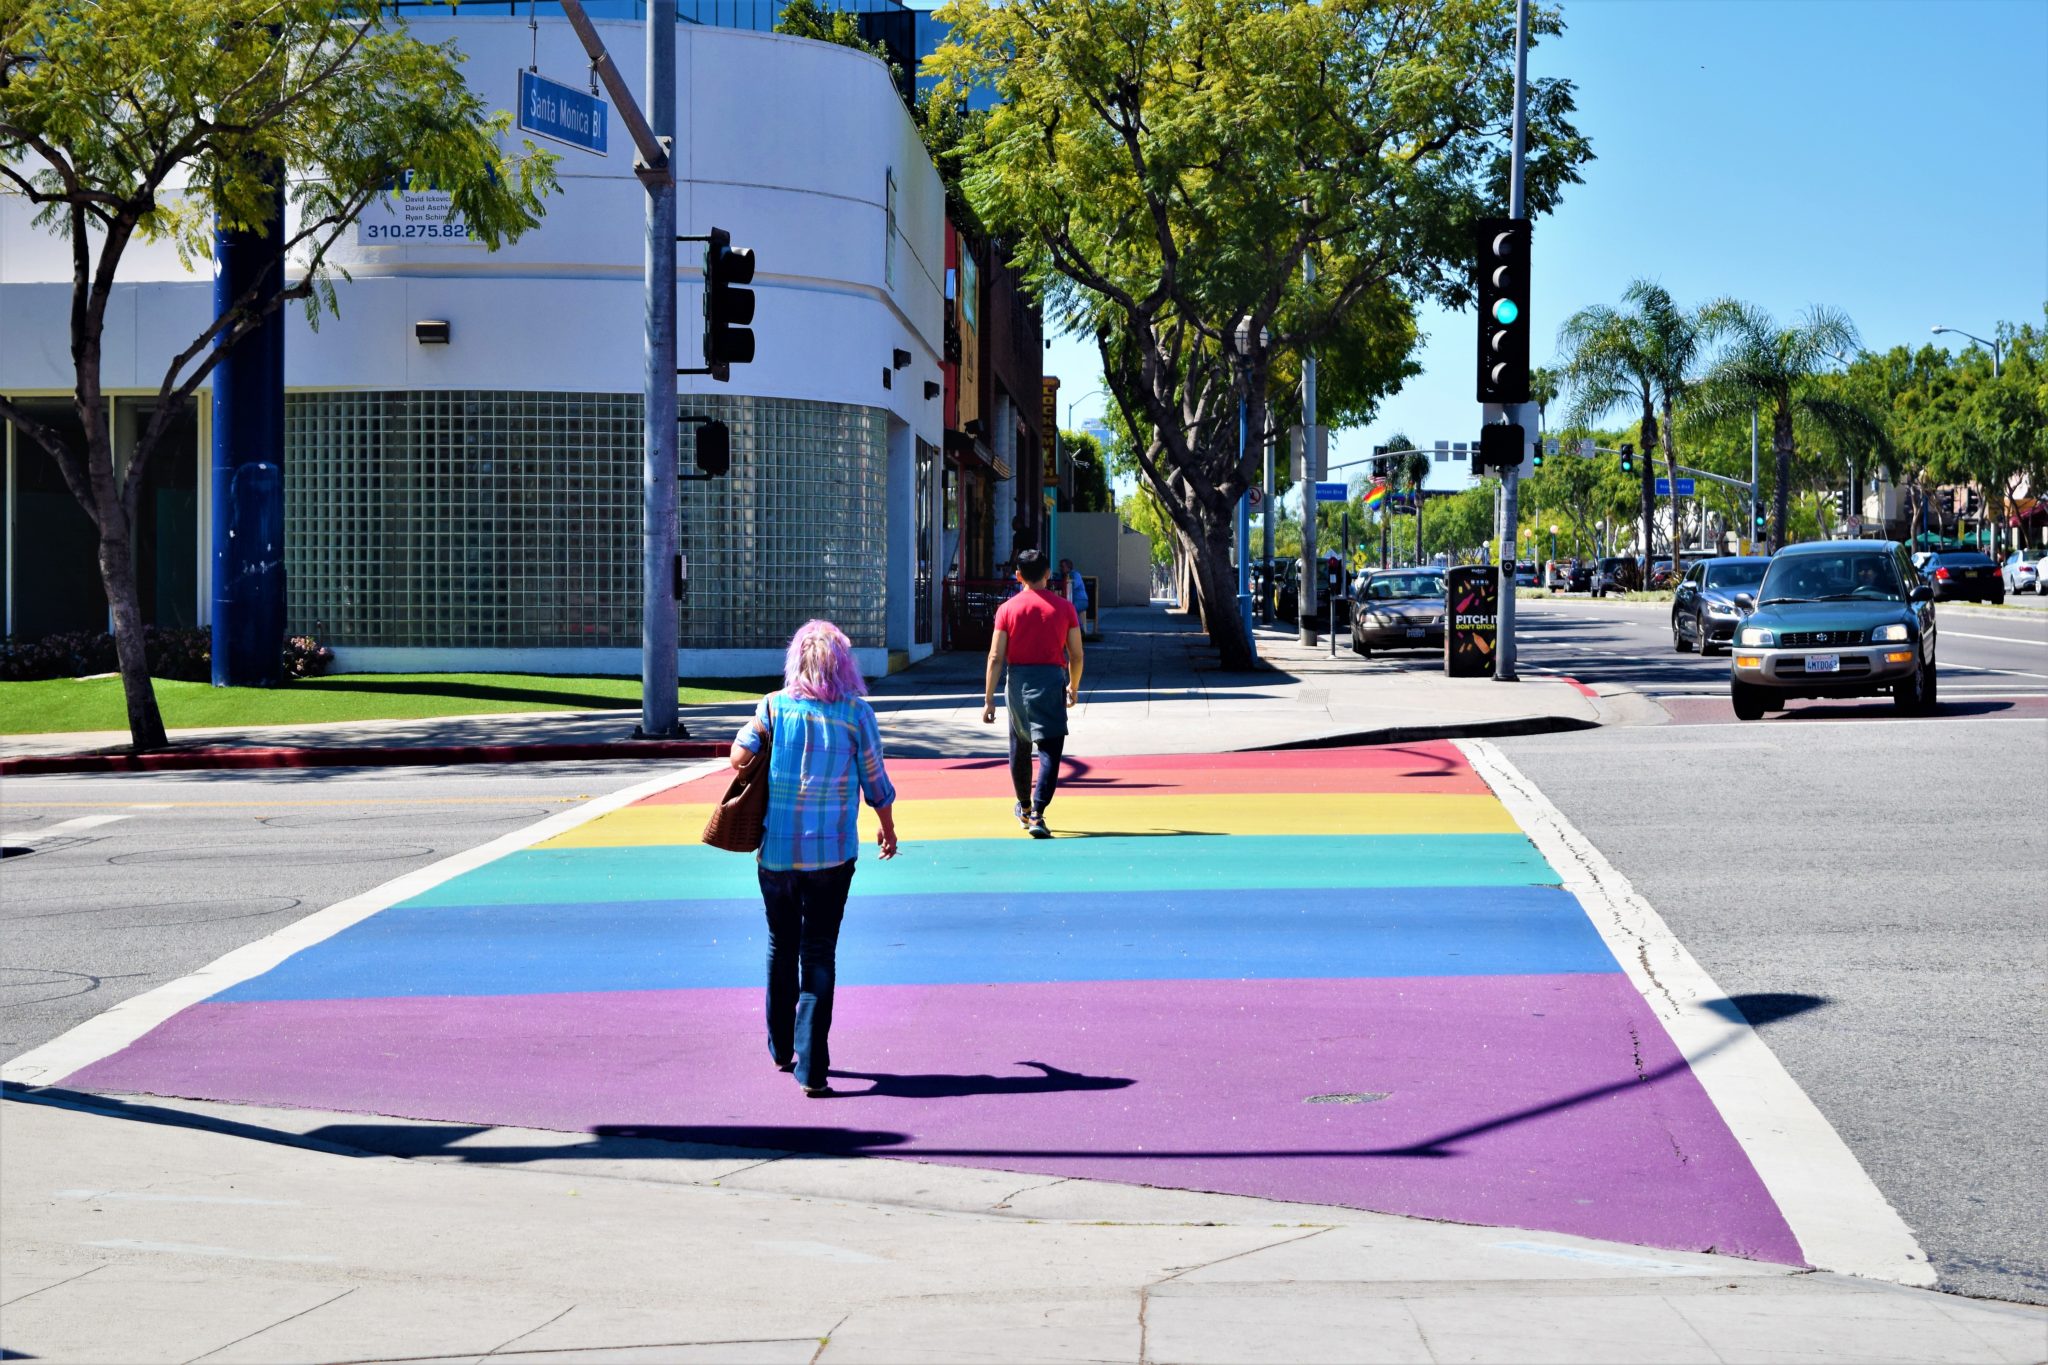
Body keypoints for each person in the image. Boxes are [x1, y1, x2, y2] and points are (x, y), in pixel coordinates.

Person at [731, 620, 898, 1097]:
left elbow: (737, 757)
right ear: (844, 665)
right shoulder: (856, 715)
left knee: (781, 944)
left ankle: (781, 1047)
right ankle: (813, 1068)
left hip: (778, 852)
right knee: (819, 950)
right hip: (832, 854)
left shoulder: (772, 707)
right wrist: (887, 827)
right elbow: (875, 783)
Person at [981, 548, 1083, 839]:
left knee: (1020, 746)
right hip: (1052, 680)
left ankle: (1024, 807)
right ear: (1049, 574)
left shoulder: (1007, 610)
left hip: (1018, 683)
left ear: (1018, 576)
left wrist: (989, 699)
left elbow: (995, 657)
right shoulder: (1065, 608)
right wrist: (1073, 686)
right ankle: (1039, 812)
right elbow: (1076, 655)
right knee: (1050, 749)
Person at [1059, 556, 1090, 625]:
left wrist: (1064, 582)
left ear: (1068, 567)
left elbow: (1072, 586)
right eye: (1060, 567)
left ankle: (1080, 630)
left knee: (1071, 609)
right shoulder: (1061, 576)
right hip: (1068, 601)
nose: (1060, 569)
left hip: (1081, 601)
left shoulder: (1075, 575)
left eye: (1062, 567)